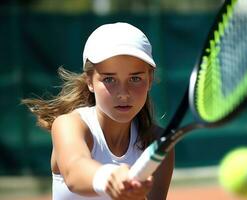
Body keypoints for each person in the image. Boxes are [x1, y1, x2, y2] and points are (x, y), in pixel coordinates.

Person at [22, 22, 174, 200]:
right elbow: (74, 169)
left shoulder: (158, 143)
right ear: (89, 81)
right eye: (109, 79)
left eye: (135, 78)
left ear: (149, 79)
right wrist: (109, 178)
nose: (123, 93)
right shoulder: (69, 125)